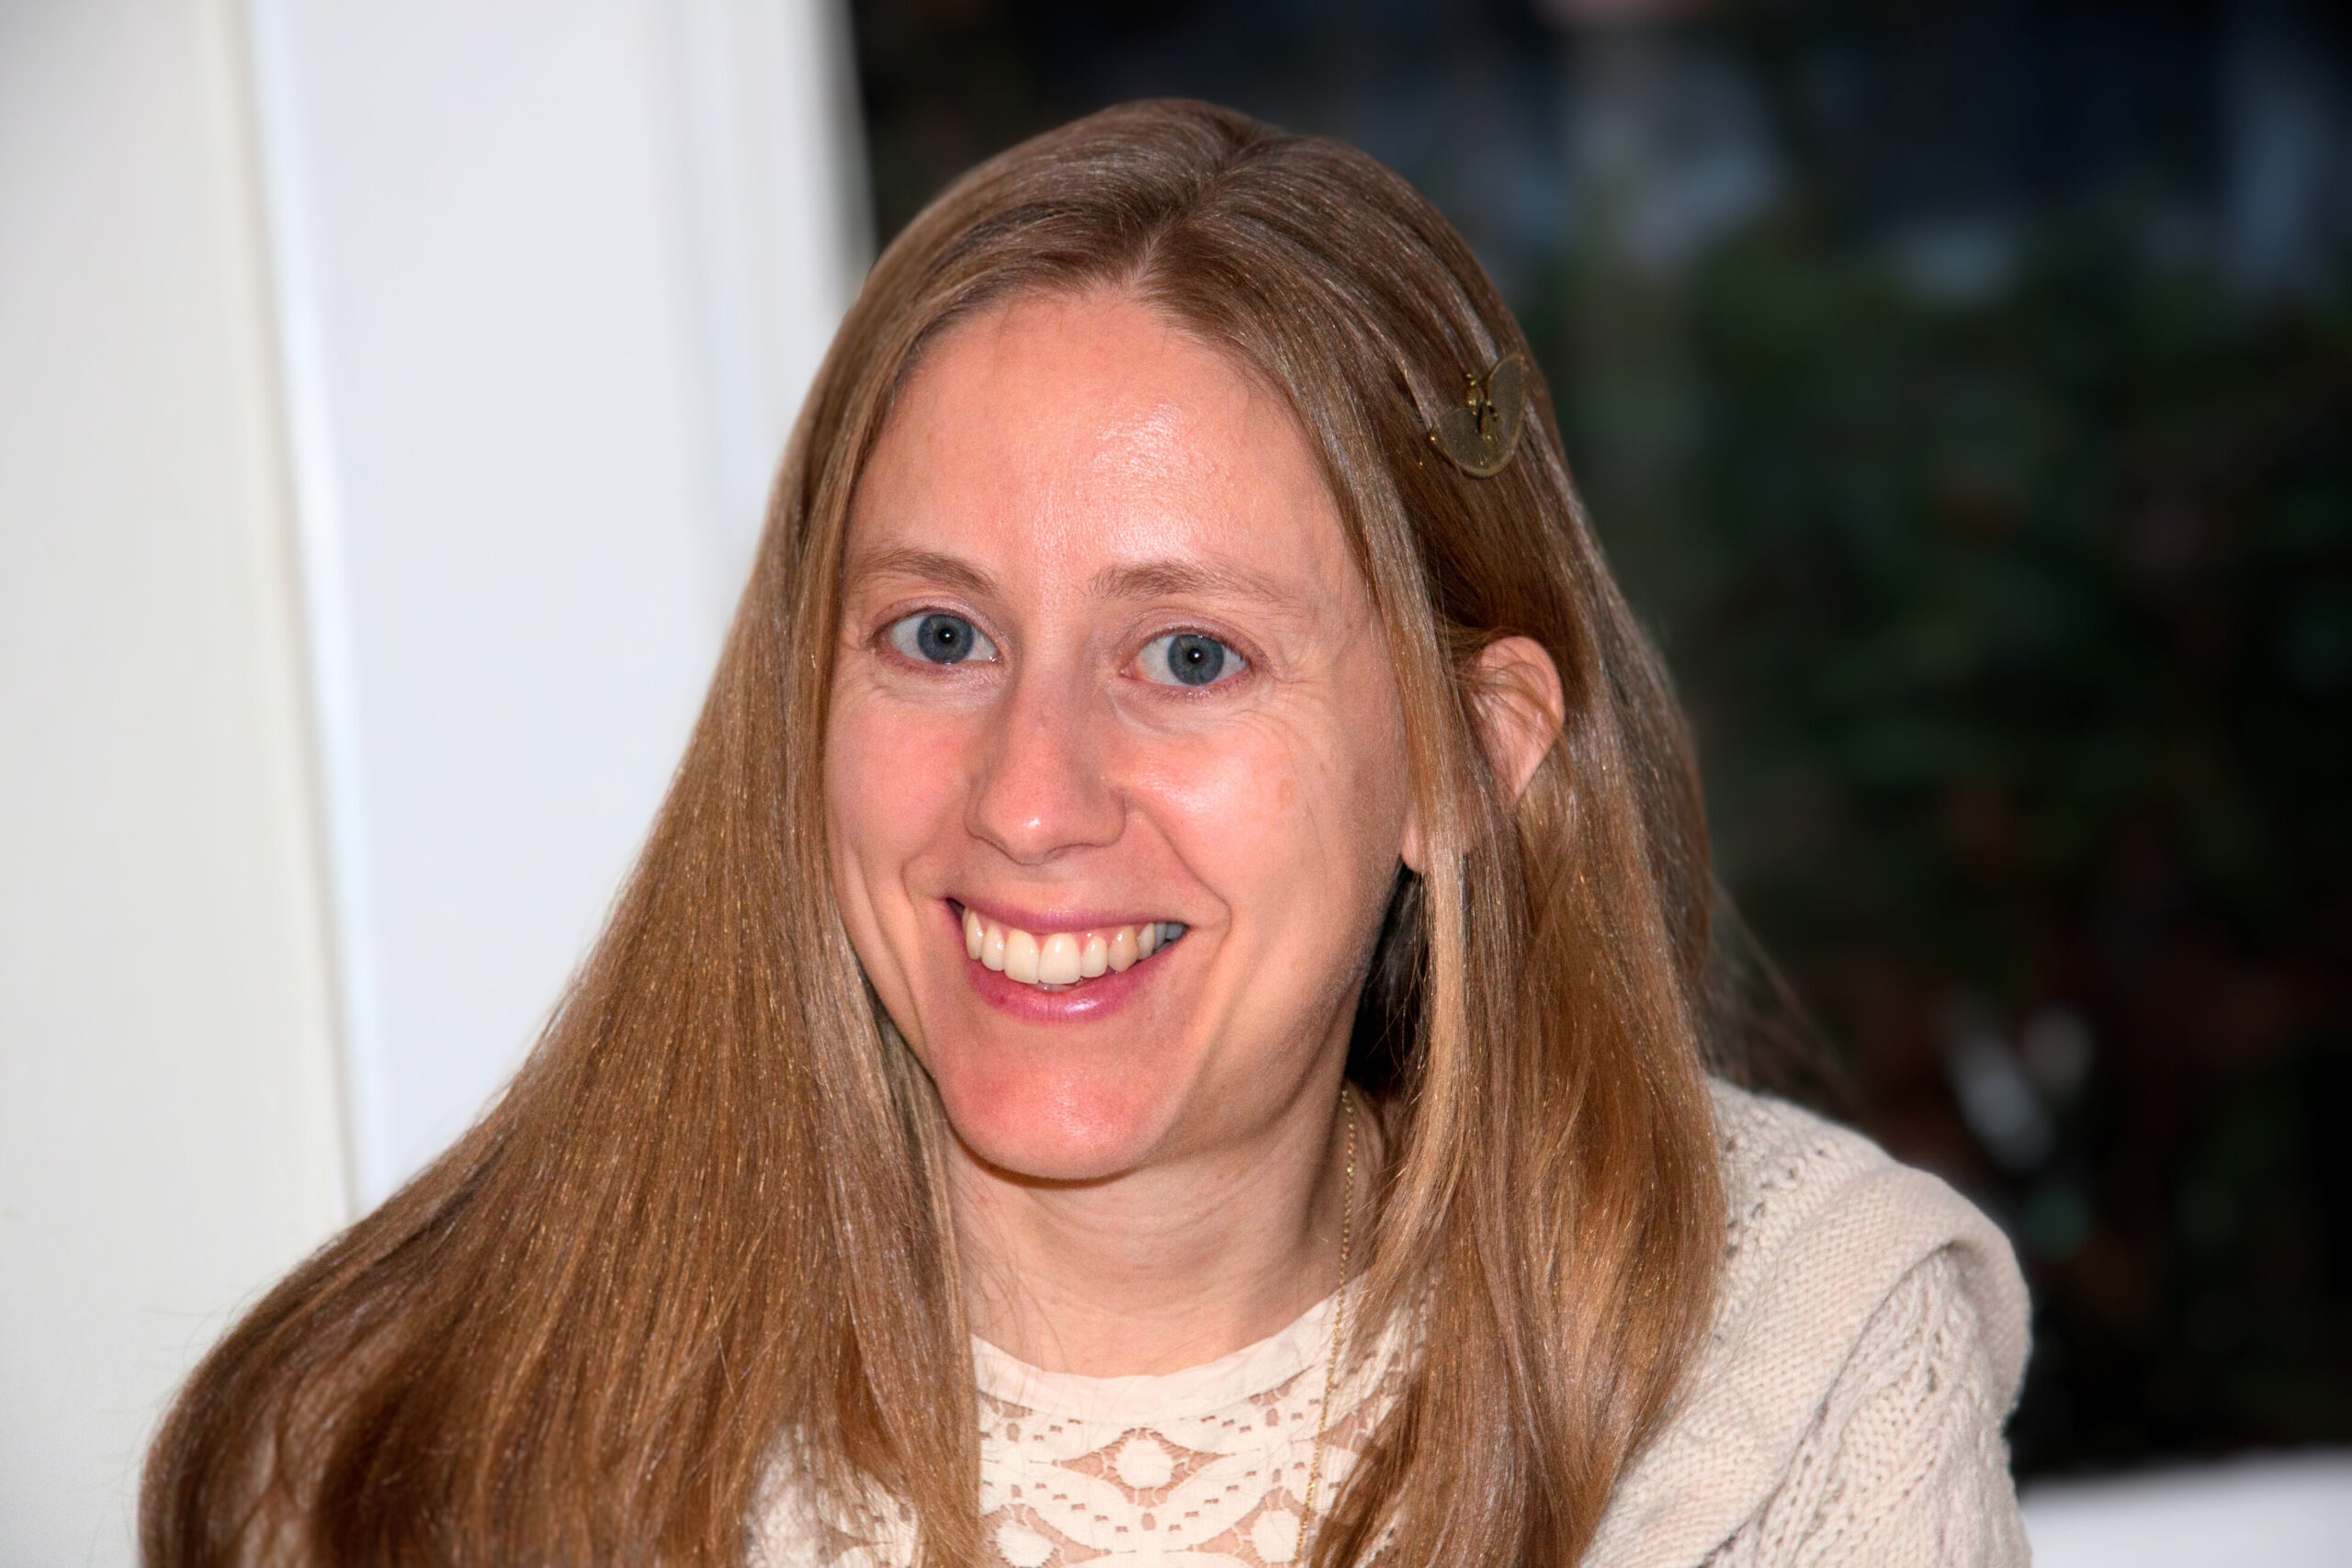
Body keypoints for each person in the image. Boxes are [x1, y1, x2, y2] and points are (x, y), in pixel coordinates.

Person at [142, 100, 2029, 1568]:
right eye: (937, 635)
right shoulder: (408, 1444)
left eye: (1189, 653)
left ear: (1466, 756)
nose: (1031, 796)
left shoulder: (1786, 1364)